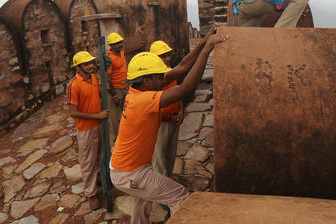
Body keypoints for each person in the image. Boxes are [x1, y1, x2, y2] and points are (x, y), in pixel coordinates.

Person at [110, 31, 229, 224]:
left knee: (142, 200)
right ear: (147, 79)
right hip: (131, 172)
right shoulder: (142, 100)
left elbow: (182, 67)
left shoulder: (140, 89)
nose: (163, 78)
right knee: (179, 196)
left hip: (127, 168)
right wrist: (207, 50)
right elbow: (185, 89)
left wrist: (202, 42)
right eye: (159, 76)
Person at [150, 27, 219, 181]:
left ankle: (167, 181)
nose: (167, 59)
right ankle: (161, 191)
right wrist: (206, 47)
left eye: (168, 55)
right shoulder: (155, 79)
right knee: (159, 158)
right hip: (161, 122)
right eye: (163, 56)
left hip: (174, 119)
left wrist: (180, 109)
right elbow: (184, 68)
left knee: (170, 155)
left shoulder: (166, 71)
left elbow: (177, 90)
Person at [66, 51, 110, 210]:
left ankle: (99, 180)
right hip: (86, 129)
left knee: (100, 155)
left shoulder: (94, 78)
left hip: (99, 124)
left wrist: (105, 88)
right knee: (88, 162)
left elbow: (97, 95)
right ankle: (91, 194)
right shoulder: (73, 85)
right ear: (78, 67)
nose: (91, 66)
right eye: (86, 64)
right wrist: (96, 115)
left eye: (91, 62)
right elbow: (73, 112)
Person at [106, 32, 128, 140]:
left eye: (120, 42)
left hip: (125, 87)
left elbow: (128, 51)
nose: (120, 44)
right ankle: (117, 139)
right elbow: (108, 78)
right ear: (111, 46)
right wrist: (114, 96)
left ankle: (125, 136)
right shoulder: (110, 59)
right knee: (115, 118)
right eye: (117, 43)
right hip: (116, 90)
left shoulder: (121, 52)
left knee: (125, 114)